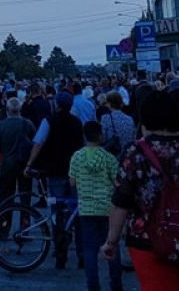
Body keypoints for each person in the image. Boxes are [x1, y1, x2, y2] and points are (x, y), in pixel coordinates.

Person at [102, 90, 179, 290]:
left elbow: (121, 202)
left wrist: (111, 241)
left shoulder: (135, 153)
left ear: (145, 120)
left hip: (150, 240)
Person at [25, 91, 84, 267]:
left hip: (55, 170)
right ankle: (81, 253)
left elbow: (39, 143)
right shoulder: (77, 122)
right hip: (74, 172)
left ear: (56, 105)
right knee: (77, 212)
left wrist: (30, 163)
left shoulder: (49, 121)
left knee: (57, 213)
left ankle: (60, 253)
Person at [68, 121, 123, 291]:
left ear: (85, 136)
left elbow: (72, 182)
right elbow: (117, 183)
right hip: (107, 209)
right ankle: (116, 285)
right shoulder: (109, 158)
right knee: (111, 247)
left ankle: (93, 286)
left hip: (86, 209)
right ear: (100, 136)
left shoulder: (77, 156)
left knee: (90, 250)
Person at [0, 96, 35, 211]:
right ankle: (25, 218)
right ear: (20, 109)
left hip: (7, 163)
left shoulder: (1, 125)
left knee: (6, 195)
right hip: (24, 163)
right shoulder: (28, 123)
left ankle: (4, 219)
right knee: (25, 194)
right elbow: (34, 143)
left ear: (7, 110)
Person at [100, 92, 134, 158]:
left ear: (109, 104)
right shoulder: (130, 119)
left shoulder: (105, 118)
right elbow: (133, 138)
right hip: (127, 155)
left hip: (112, 156)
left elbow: (103, 139)